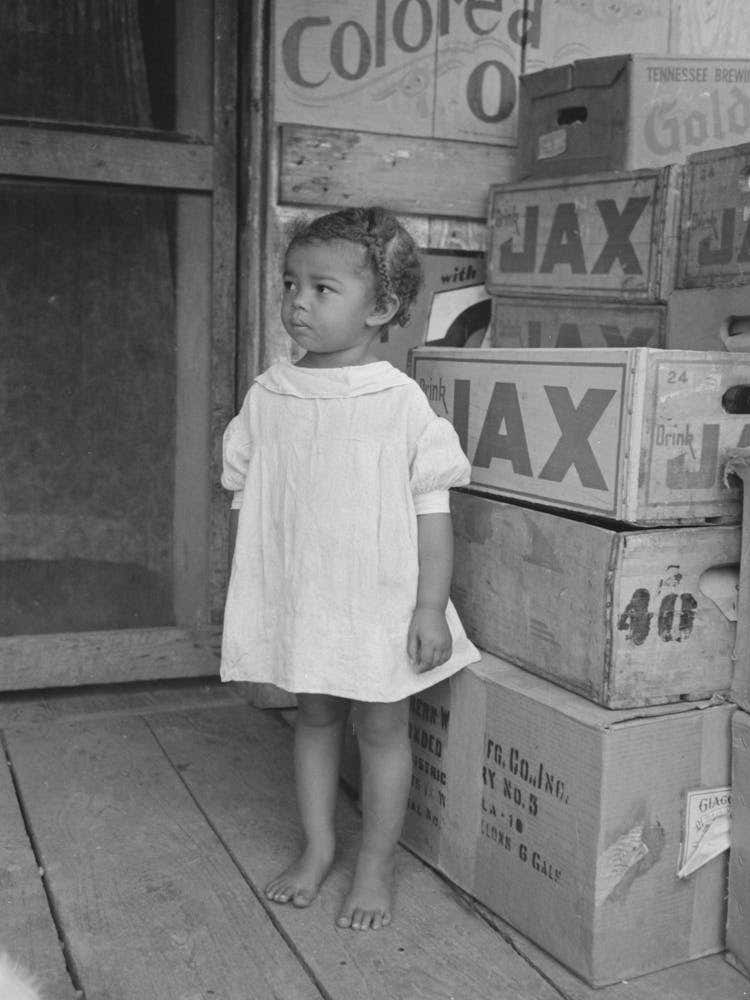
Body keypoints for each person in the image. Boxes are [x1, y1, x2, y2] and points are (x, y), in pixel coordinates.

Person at [220, 205, 480, 931]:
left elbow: (433, 513)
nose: (297, 302)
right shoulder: (269, 396)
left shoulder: (399, 405)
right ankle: (319, 846)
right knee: (314, 716)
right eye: (289, 283)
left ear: (384, 308)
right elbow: (250, 499)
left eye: (322, 288)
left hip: (381, 602)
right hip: (310, 598)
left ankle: (374, 863)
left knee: (382, 730)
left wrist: (430, 606)